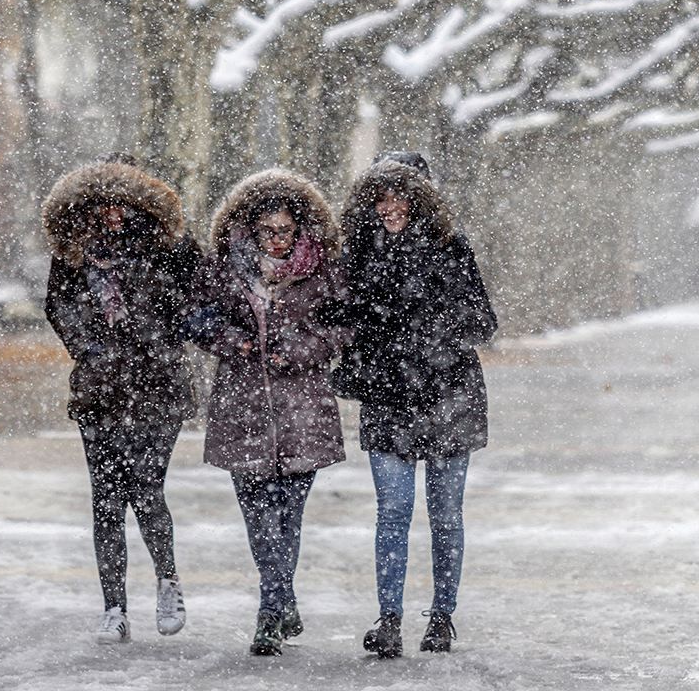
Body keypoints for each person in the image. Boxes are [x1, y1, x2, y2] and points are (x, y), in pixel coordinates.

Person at [332, 157, 497, 658]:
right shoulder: (358, 252)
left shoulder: (451, 247)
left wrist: (429, 338)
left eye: (399, 196)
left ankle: (442, 618)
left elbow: (483, 321)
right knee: (393, 512)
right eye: (379, 197)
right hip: (388, 399)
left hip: (448, 398)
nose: (389, 208)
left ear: (421, 198)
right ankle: (388, 620)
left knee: (446, 515)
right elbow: (345, 318)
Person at [42, 159, 200, 644]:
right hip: (99, 392)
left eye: (123, 201)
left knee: (147, 488)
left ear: (141, 201)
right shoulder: (74, 252)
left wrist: (157, 336)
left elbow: (195, 301)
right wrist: (92, 349)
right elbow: (57, 305)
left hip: (159, 388)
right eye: (103, 202)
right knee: (106, 501)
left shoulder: (170, 248)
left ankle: (168, 581)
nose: (113, 212)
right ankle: (114, 607)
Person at [188, 169, 346, 656]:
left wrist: (300, 348)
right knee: (258, 517)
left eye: (284, 231)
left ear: (300, 230)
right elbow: (197, 318)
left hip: (302, 410)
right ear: (250, 229)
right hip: (243, 408)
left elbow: (344, 326)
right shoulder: (224, 270)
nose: (276, 241)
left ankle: (271, 609)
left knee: (288, 516)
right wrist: (237, 343)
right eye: (267, 231)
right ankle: (277, 602)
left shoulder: (322, 271)